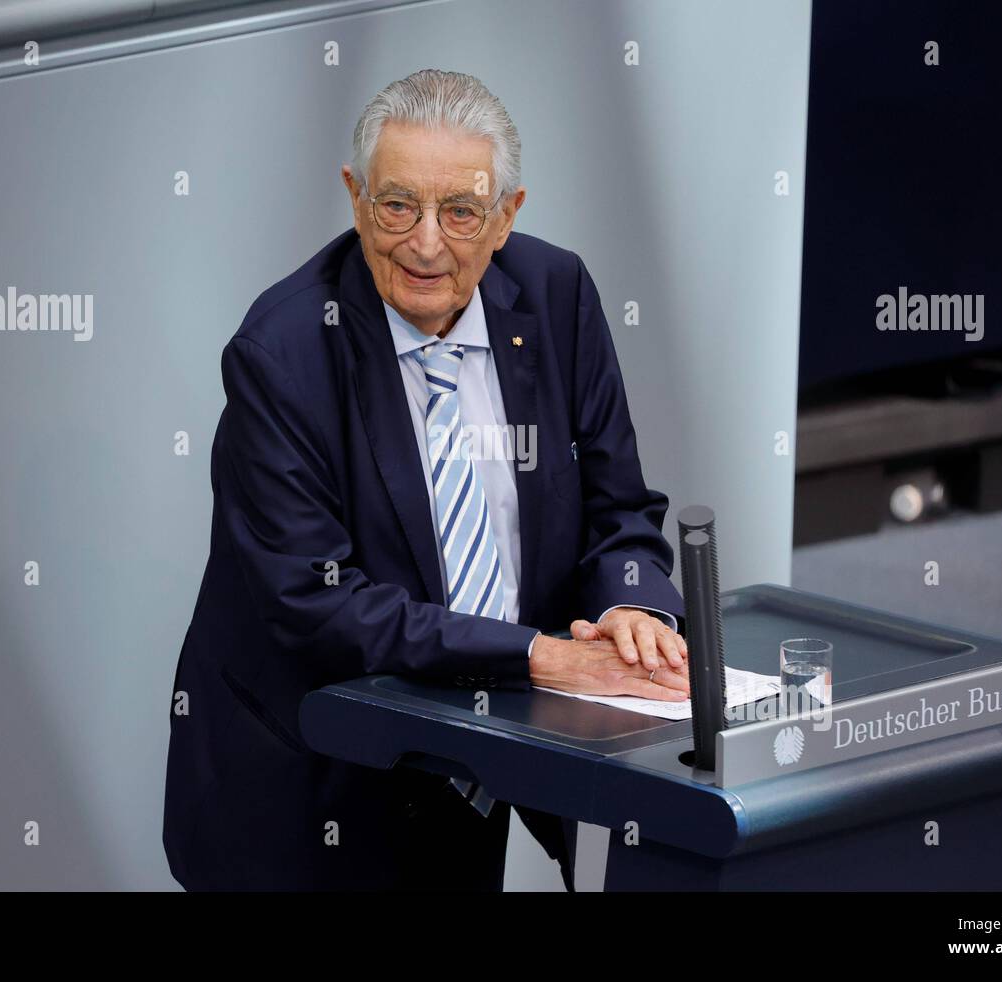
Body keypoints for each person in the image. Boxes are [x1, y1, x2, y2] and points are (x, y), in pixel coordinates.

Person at [163, 68, 689, 891]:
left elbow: (619, 509)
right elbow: (319, 606)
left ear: (507, 216)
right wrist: (542, 659)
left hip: (483, 761)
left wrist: (631, 608)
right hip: (317, 787)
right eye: (397, 204)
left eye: (461, 210)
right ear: (355, 197)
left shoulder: (557, 300)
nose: (426, 243)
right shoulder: (284, 355)